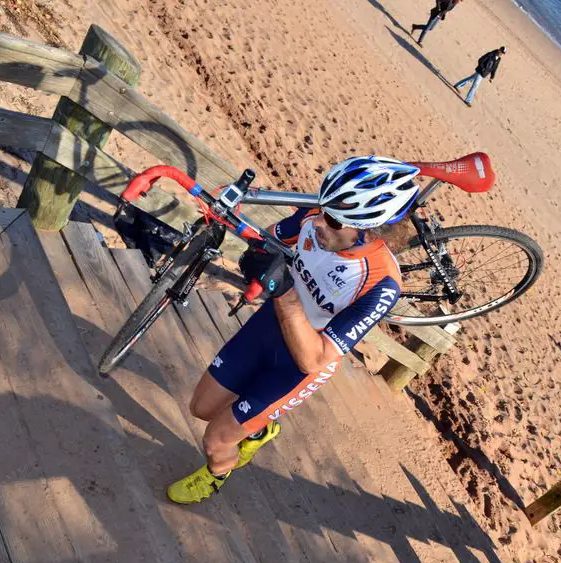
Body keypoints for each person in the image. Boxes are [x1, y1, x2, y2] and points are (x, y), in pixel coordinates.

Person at [167, 156, 420, 504]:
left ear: (370, 230)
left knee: (216, 439)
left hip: (298, 363)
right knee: (201, 407)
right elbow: (271, 240)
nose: (319, 223)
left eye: (333, 220)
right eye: (321, 208)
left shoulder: (380, 283)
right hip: (269, 327)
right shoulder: (314, 218)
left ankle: (216, 475)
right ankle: (261, 429)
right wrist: (257, 256)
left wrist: (285, 292)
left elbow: (313, 359)